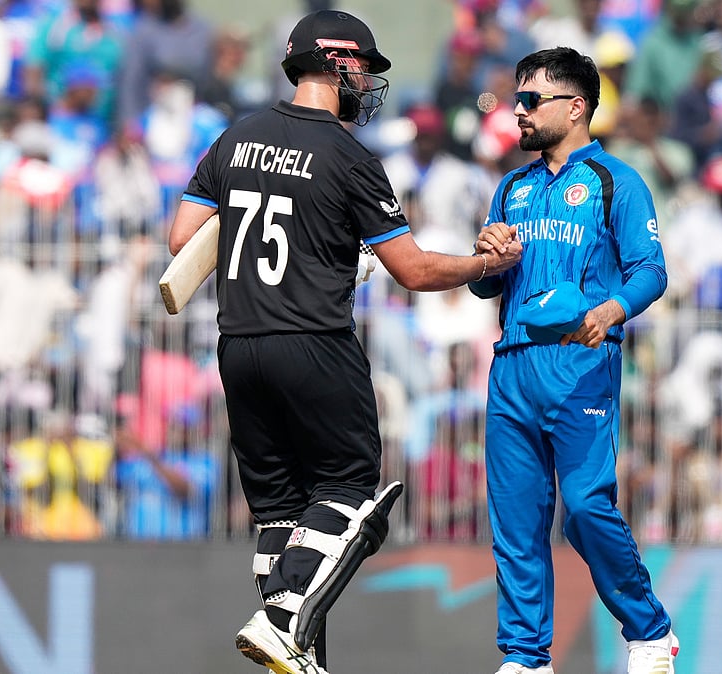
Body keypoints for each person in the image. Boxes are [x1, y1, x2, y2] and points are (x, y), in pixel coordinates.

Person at [166, 9, 521, 674]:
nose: (368, 81)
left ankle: (295, 654)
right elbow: (414, 271)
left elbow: (183, 240)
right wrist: (484, 265)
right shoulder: (350, 157)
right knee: (350, 489)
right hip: (314, 342)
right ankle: (281, 625)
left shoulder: (235, 138)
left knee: (282, 516)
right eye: (363, 67)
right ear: (335, 63)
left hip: (238, 345)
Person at [470, 47, 677, 674]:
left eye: (531, 100)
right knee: (516, 521)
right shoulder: (512, 186)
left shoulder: (617, 181)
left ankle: (650, 631)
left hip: (580, 363)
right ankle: (526, 657)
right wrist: (485, 256)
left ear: (576, 106)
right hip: (512, 365)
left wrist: (611, 310)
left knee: (585, 508)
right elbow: (485, 284)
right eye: (518, 99)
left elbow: (651, 271)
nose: (519, 111)